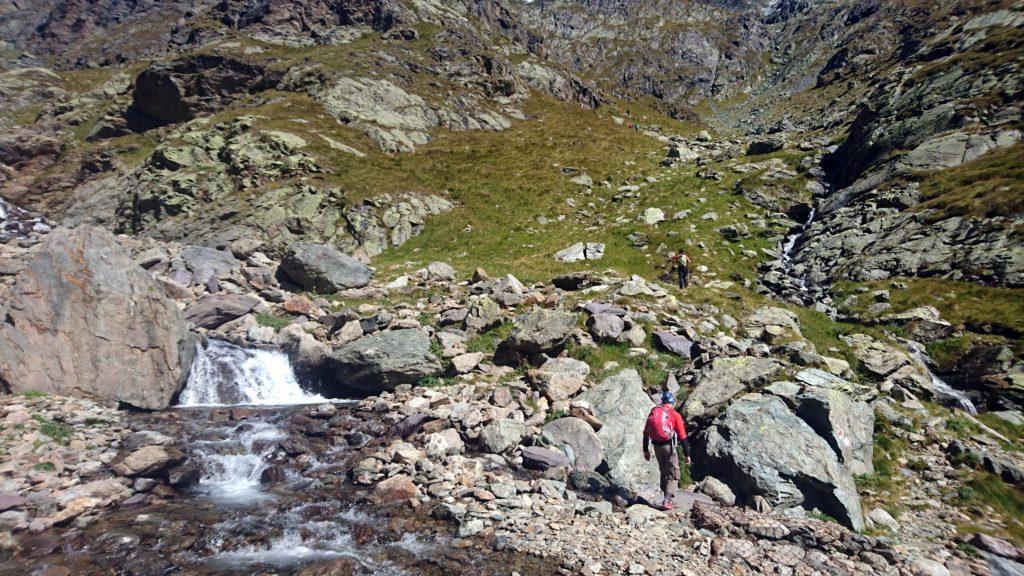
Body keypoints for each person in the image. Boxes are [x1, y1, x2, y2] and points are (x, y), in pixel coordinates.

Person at [643, 391, 691, 511]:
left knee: (663, 471)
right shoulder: (674, 414)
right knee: (673, 473)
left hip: (656, 446)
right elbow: (682, 436)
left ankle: (665, 497)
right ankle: (667, 501)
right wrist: (687, 454)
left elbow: (646, 433)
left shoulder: (654, 412)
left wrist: (645, 450)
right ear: (672, 402)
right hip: (669, 447)